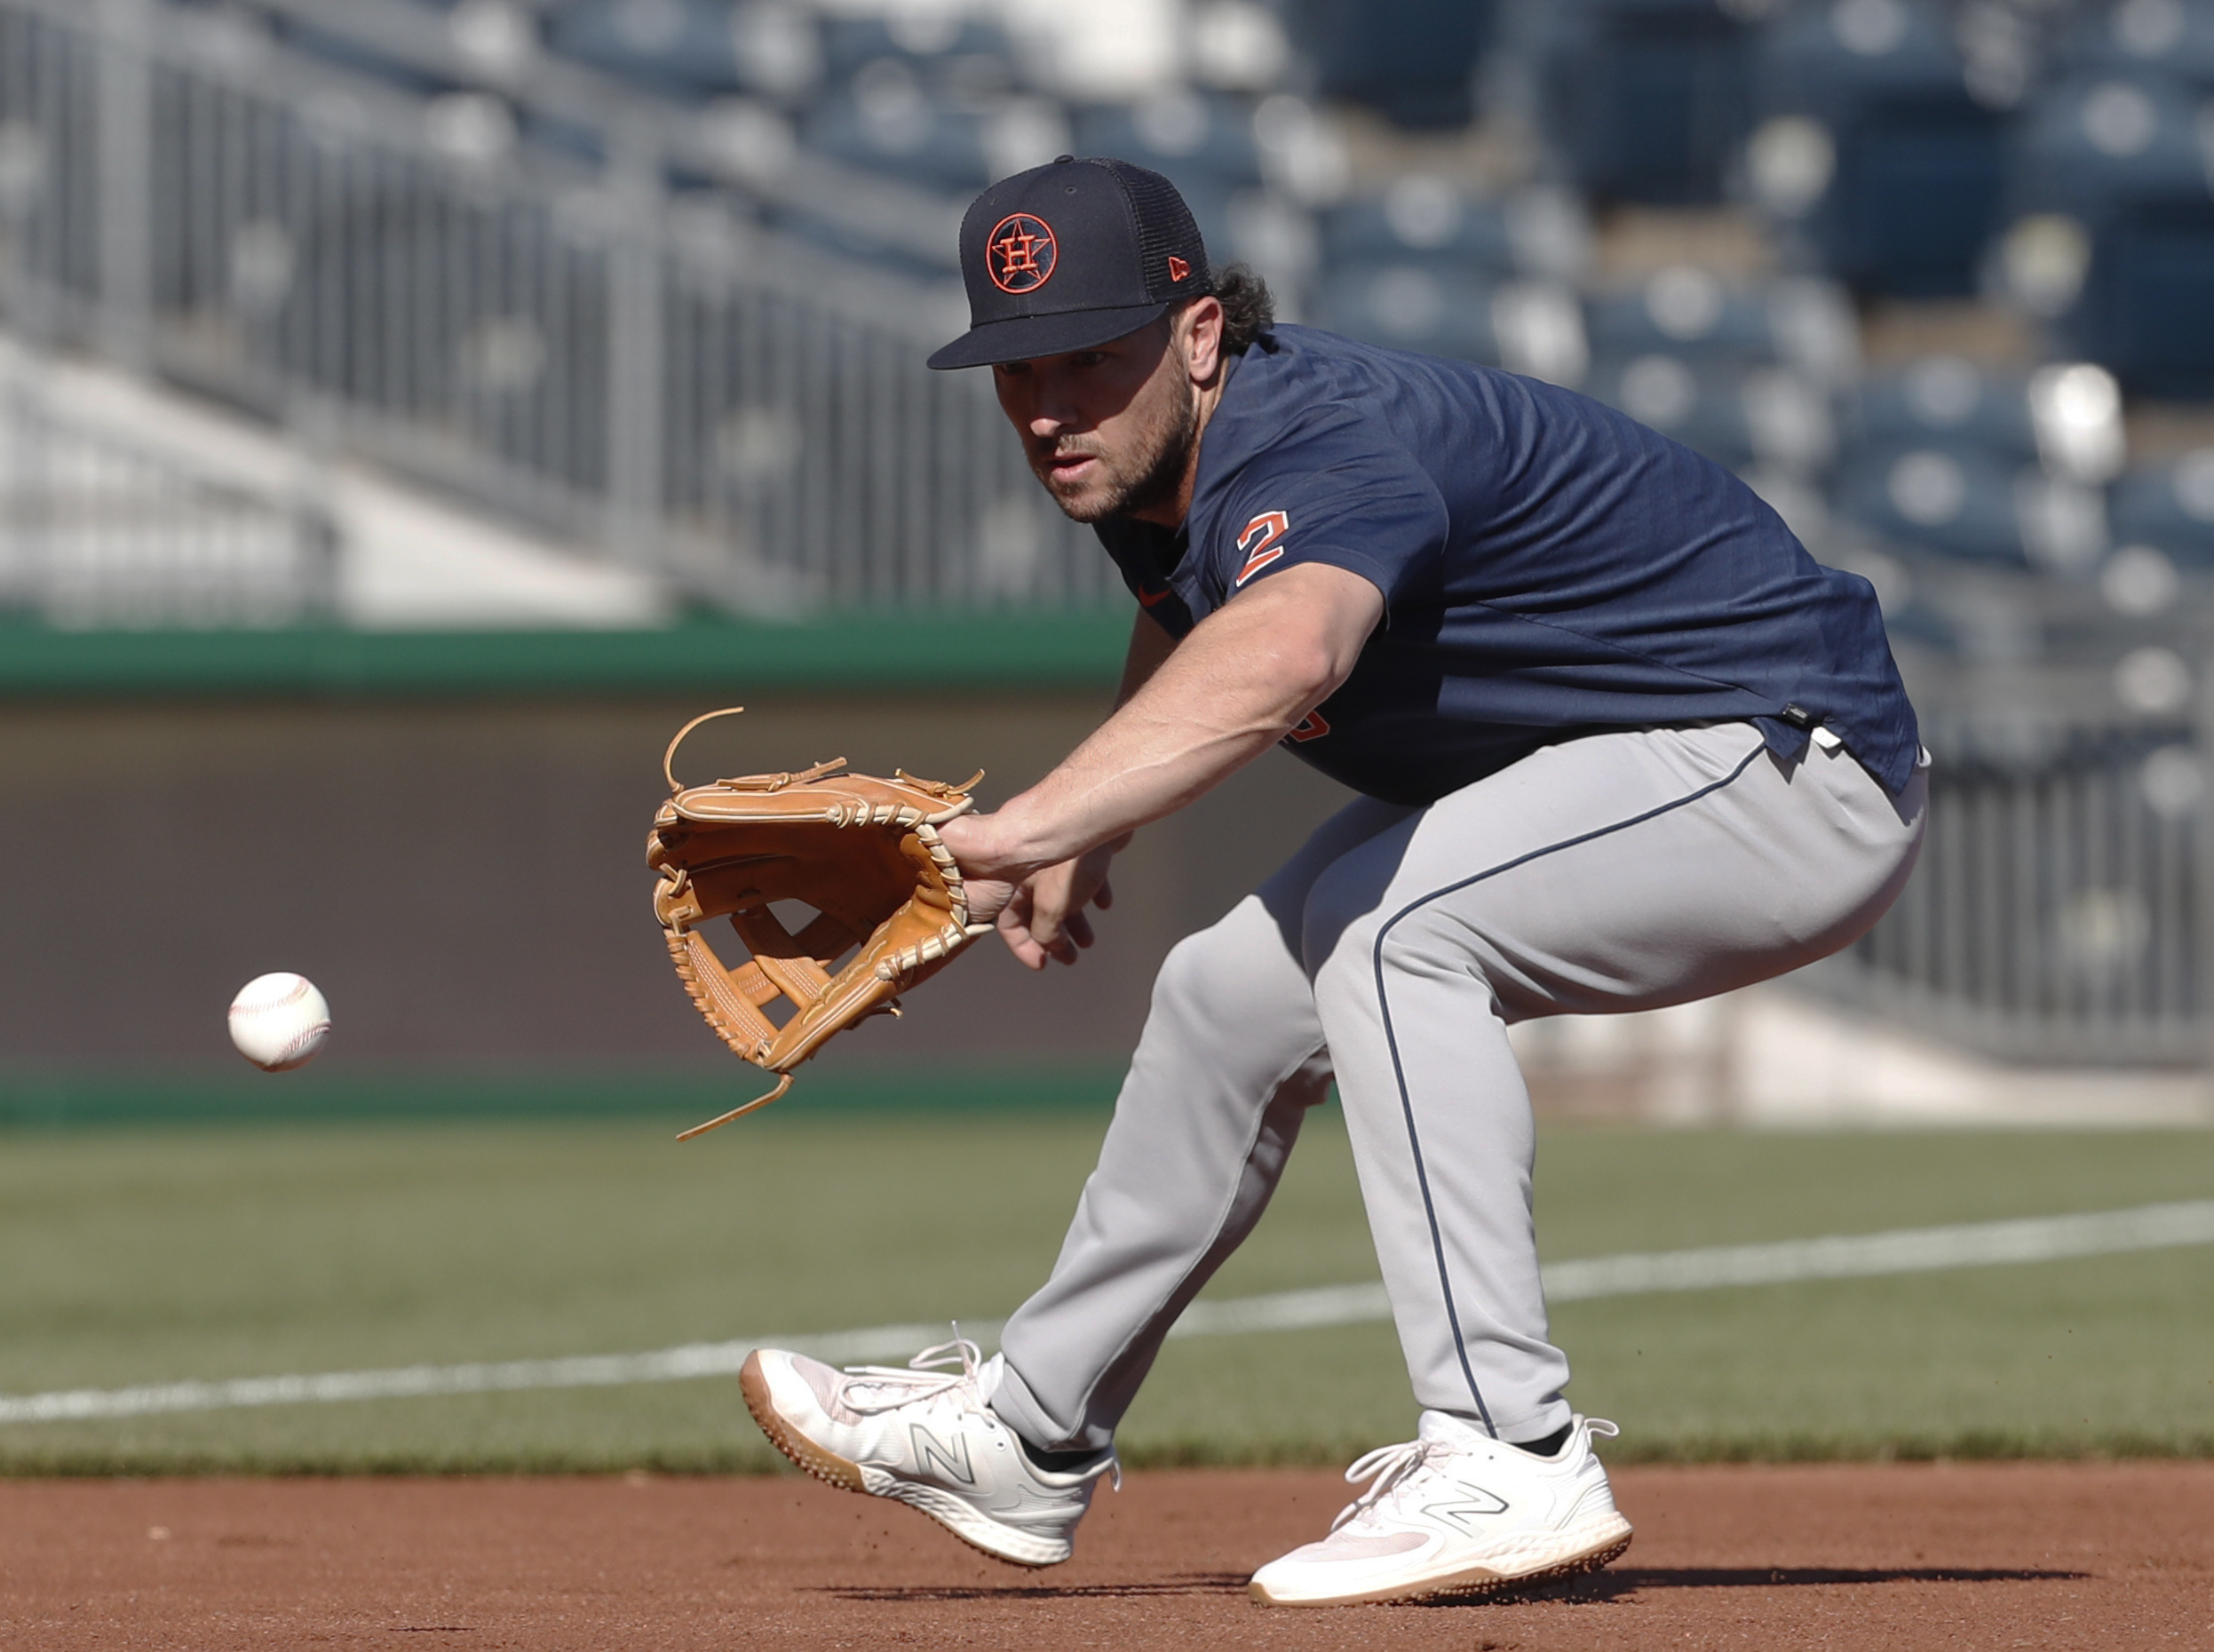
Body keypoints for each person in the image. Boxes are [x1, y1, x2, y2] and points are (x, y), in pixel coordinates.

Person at [737, 157, 1925, 1607]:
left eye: (1088, 358)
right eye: (1014, 366)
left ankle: (1509, 1448)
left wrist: (1028, 826)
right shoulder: (1143, 461)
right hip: (1644, 759)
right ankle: (1030, 1433)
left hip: (1784, 760)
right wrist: (1088, 828)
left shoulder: (1319, 441)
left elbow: (1286, 649)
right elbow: (1189, 618)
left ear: (1197, 336)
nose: (1048, 405)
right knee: (1226, 994)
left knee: (1392, 939)